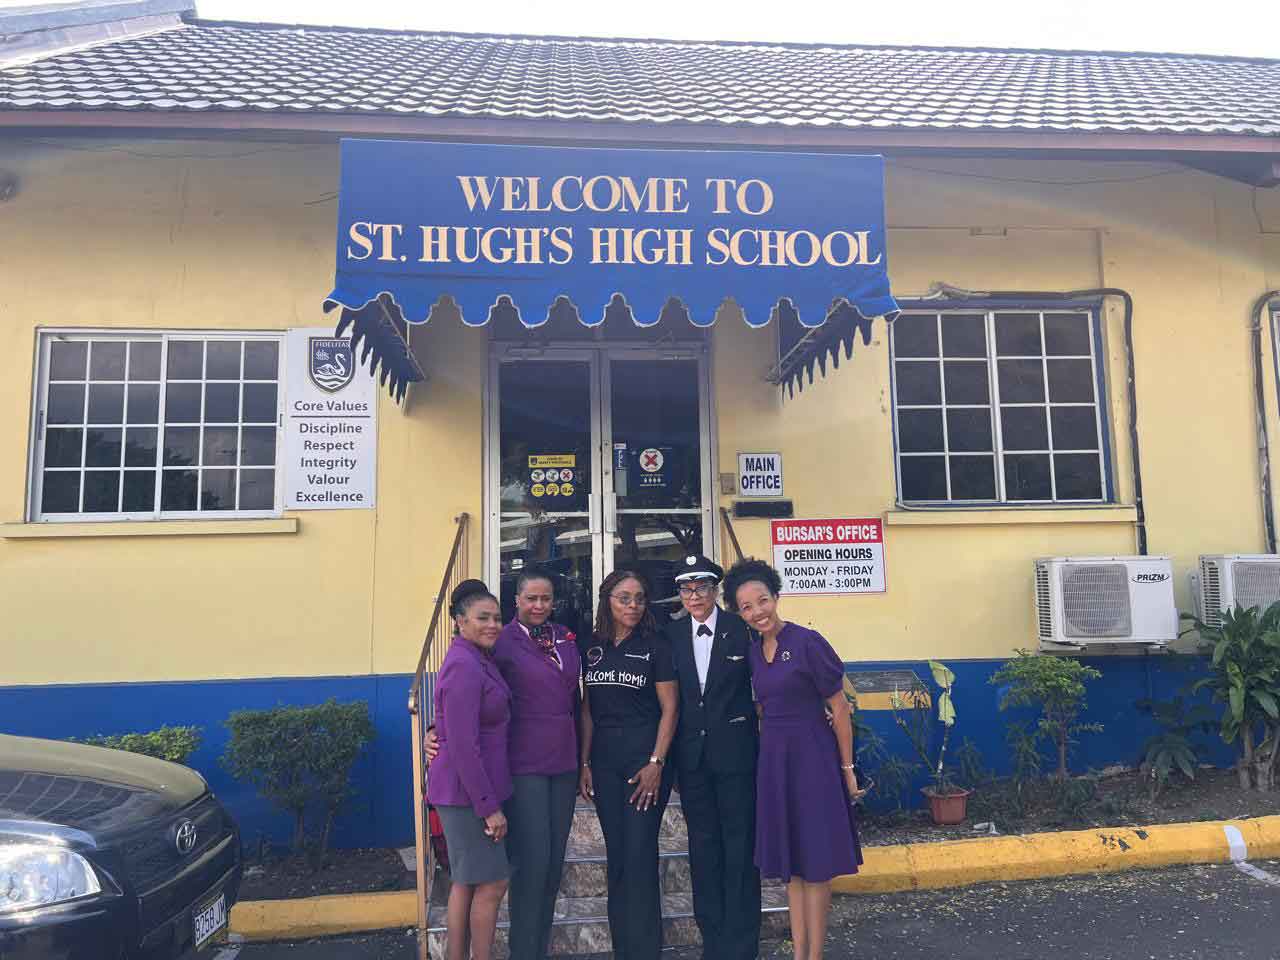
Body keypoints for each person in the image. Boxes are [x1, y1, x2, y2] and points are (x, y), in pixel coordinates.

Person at [425, 568, 582, 960]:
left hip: (562, 761)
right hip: (518, 766)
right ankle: (523, 951)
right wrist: (435, 730)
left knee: (547, 867)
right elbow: (460, 712)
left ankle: (535, 949)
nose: (539, 605)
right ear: (517, 600)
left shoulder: (564, 638)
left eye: (546, 598)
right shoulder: (496, 644)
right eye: (531, 598)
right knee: (521, 868)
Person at [723, 559, 864, 960]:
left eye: (762, 601)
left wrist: (847, 770)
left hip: (813, 760)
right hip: (775, 763)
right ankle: (800, 953)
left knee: (815, 864)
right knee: (793, 867)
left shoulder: (807, 642)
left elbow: (839, 708)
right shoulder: (753, 653)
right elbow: (763, 708)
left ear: (775, 596)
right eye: (746, 607)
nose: (757, 612)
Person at [578, 569, 679, 960]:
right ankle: (624, 948)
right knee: (618, 855)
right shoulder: (592, 646)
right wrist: (584, 762)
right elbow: (587, 710)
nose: (633, 606)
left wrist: (657, 762)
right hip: (605, 762)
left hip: (644, 764)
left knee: (639, 854)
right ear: (607, 600)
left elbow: (670, 709)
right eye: (624, 598)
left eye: (639, 598)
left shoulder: (656, 645)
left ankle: (646, 949)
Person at [664, 553, 761, 960]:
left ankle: (743, 945)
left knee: (740, 848)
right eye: (686, 589)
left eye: (702, 587)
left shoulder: (743, 630)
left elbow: (767, 683)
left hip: (736, 757)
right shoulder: (670, 635)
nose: (694, 596)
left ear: (715, 589)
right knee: (703, 850)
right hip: (693, 761)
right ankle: (714, 943)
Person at [427, 579, 512, 960]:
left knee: (466, 881)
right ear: (460, 622)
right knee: (492, 883)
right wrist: (488, 807)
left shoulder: (478, 658)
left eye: (497, 618)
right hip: (467, 794)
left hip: (466, 790)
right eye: (483, 618)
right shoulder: (464, 665)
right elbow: (463, 746)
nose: (493, 625)